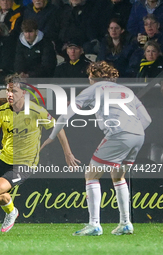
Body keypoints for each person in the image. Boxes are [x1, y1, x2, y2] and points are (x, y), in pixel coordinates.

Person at [0, 73, 80, 233]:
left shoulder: (36, 111)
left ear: (24, 93)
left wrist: (68, 154)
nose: (9, 94)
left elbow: (59, 129)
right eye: (8, 90)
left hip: (25, 163)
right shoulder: (1, 111)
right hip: (4, 158)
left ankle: (11, 212)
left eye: (13, 91)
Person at [42, 61, 152, 236]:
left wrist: (51, 136)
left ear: (94, 76)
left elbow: (65, 115)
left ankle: (94, 225)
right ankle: (125, 223)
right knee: (118, 176)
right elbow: (147, 119)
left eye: (89, 76)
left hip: (119, 134)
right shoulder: (127, 91)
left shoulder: (95, 89)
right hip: (138, 135)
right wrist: (131, 133)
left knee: (91, 175)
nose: (89, 80)